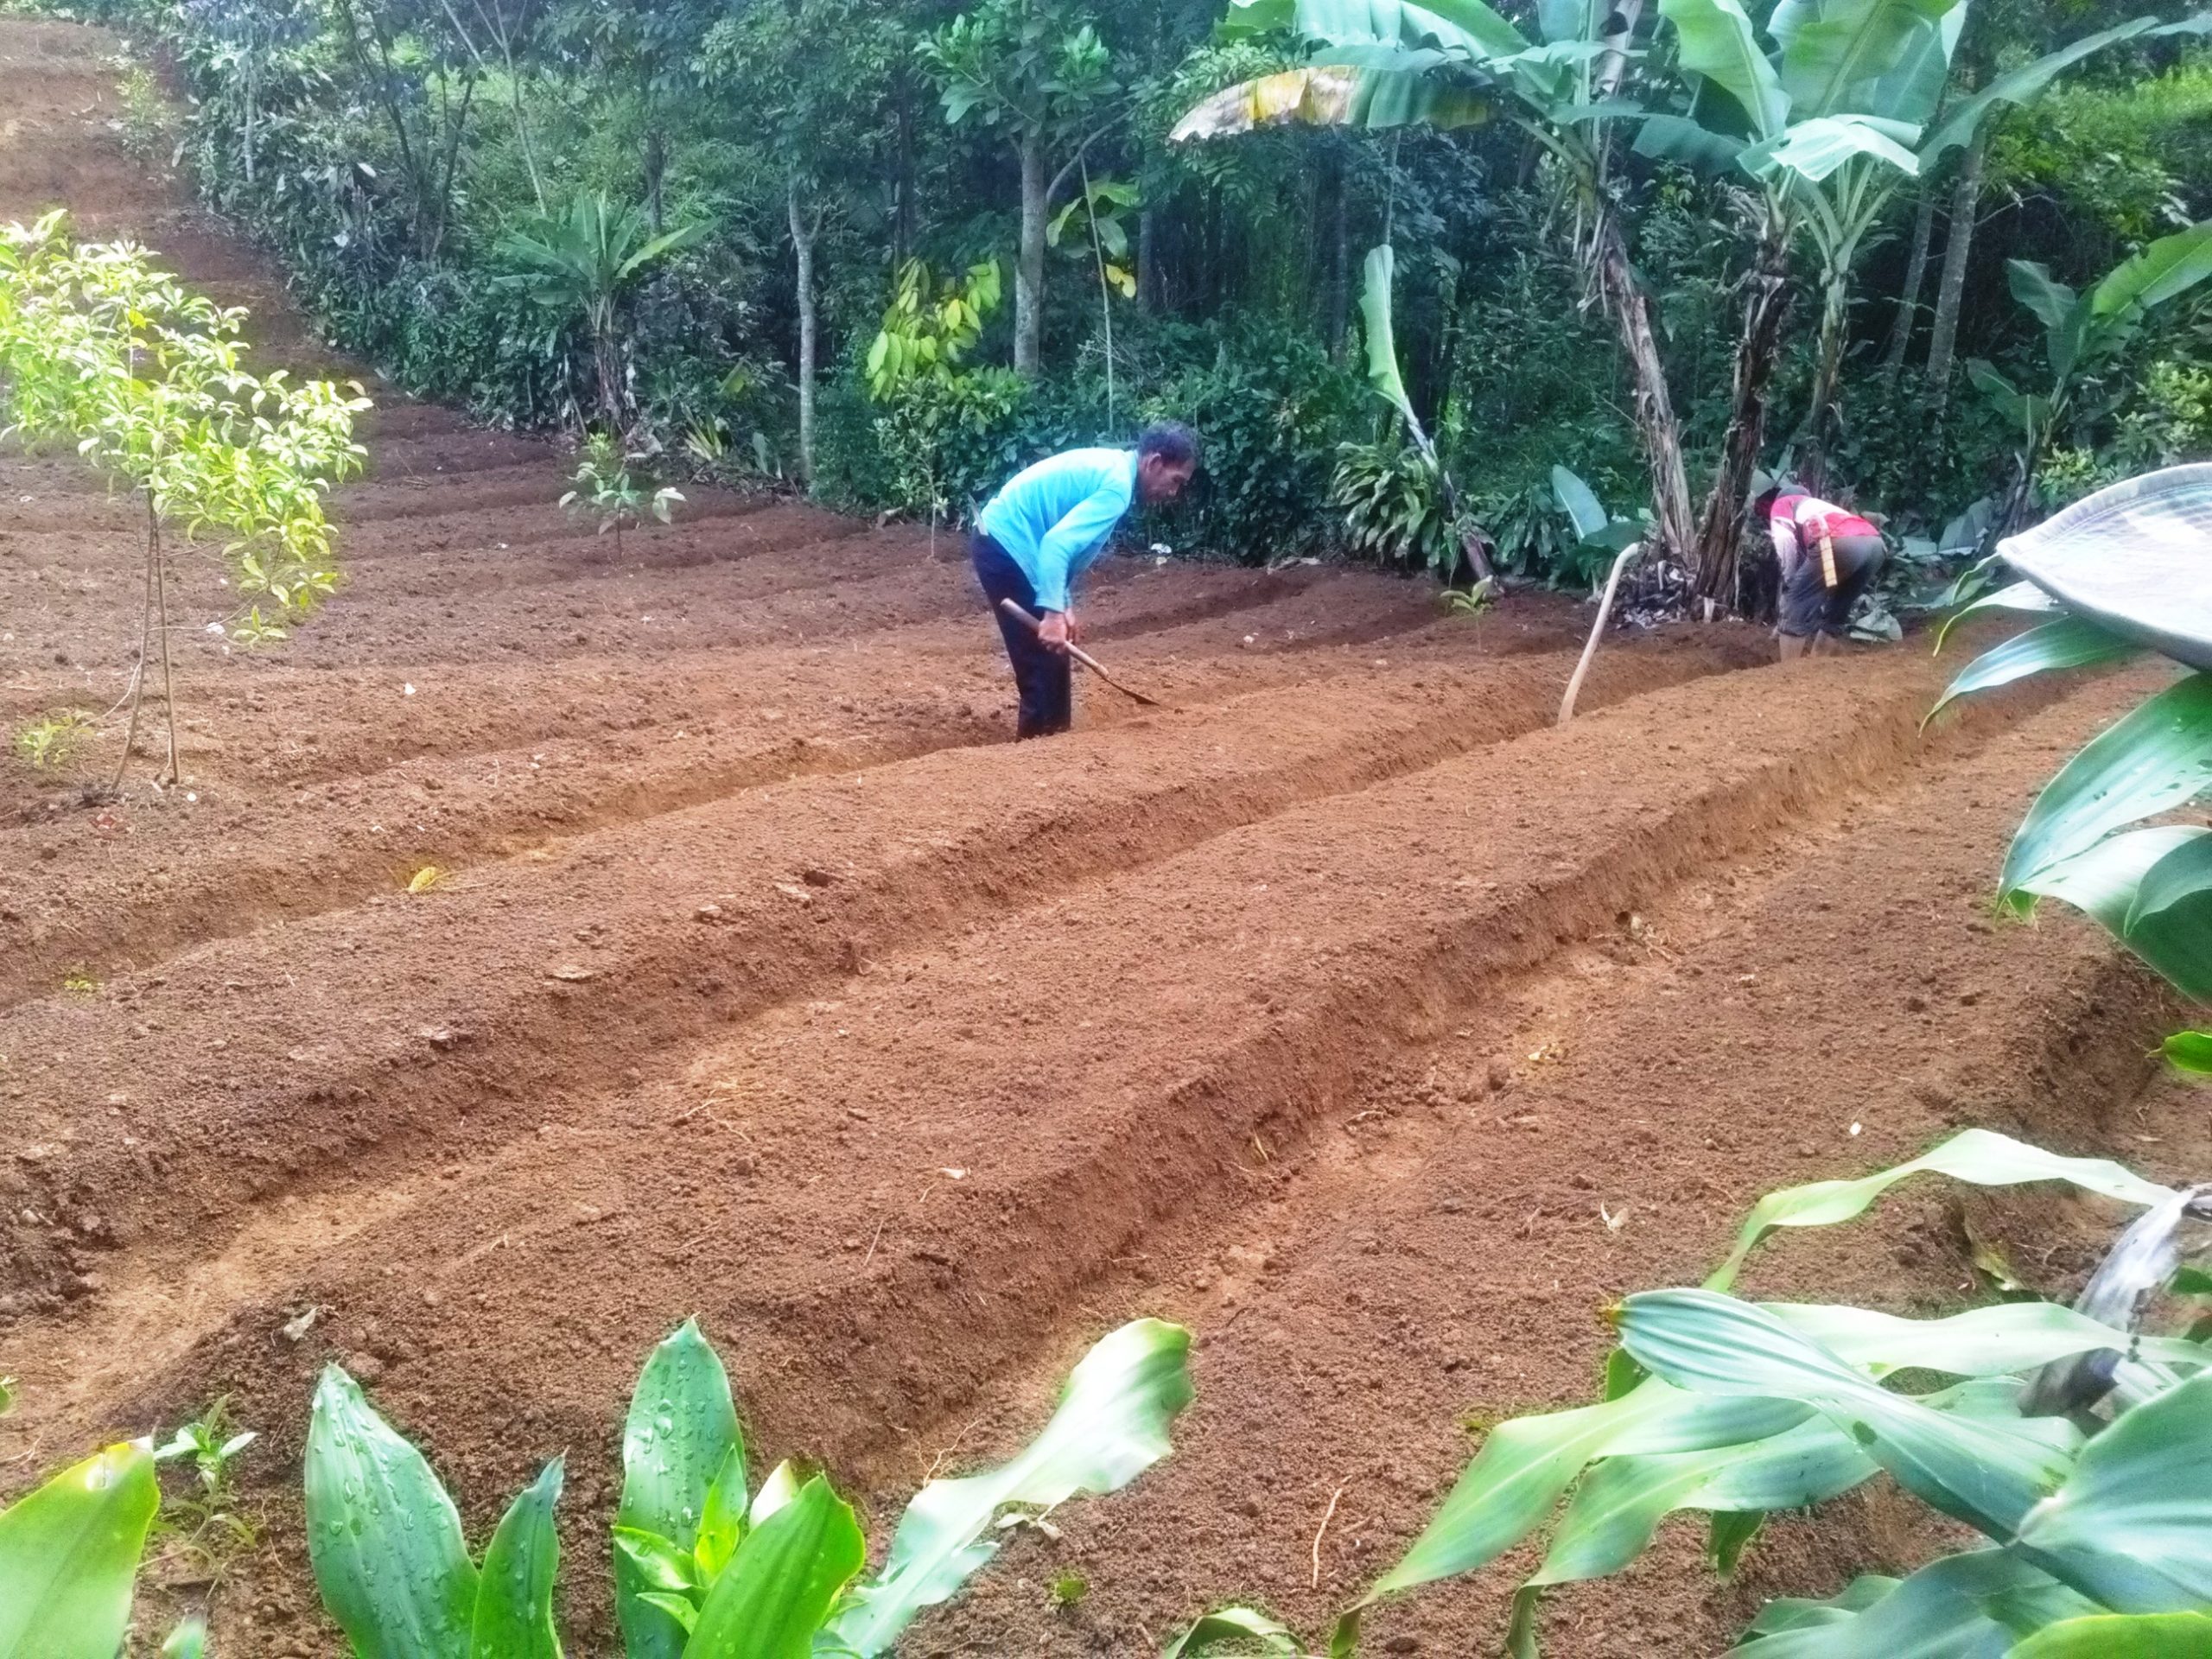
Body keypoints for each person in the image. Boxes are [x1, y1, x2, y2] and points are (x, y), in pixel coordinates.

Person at [969, 423, 1200, 738]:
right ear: (1154, 463)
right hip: (1006, 545)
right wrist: (1051, 615)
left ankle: (1054, 744)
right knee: (1042, 666)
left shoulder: (1115, 470)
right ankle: (1035, 760)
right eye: (1175, 481)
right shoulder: (1117, 487)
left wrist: (1063, 603)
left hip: (1009, 543)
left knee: (1052, 661)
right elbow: (1055, 545)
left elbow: (1059, 541)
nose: (1173, 493)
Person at [1758, 477, 1888, 660]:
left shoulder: (1782, 504)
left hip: (1839, 543)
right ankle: (1817, 663)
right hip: (1875, 546)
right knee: (1838, 605)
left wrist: (1790, 584)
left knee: (1797, 600)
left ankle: (1787, 673)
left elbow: (1785, 543)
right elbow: (1827, 576)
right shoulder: (1822, 506)